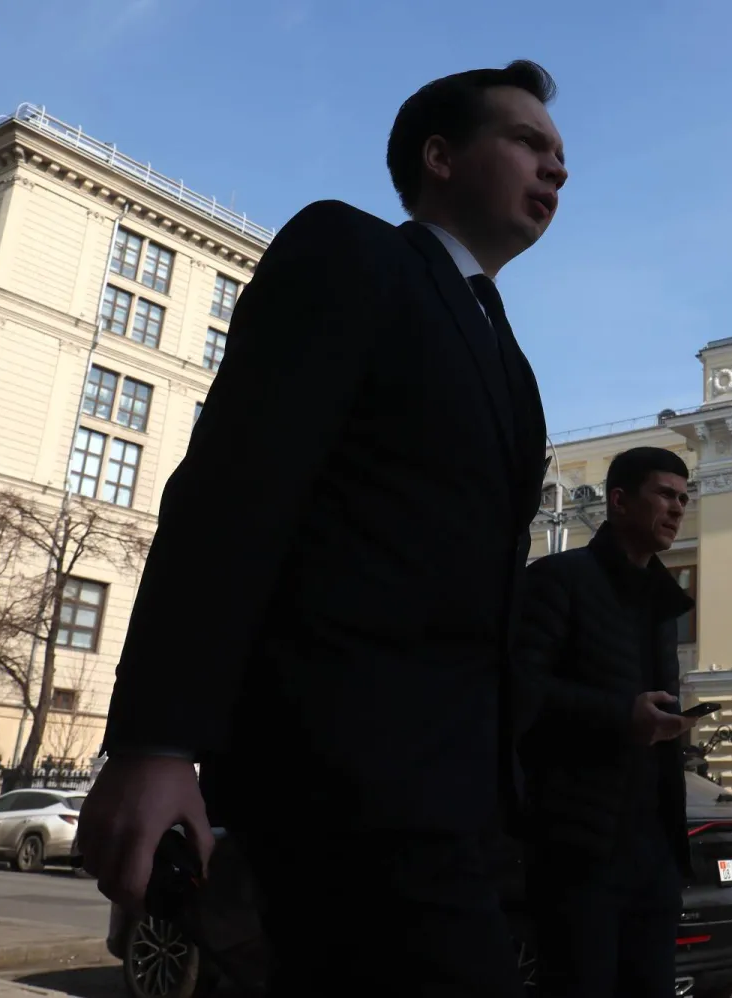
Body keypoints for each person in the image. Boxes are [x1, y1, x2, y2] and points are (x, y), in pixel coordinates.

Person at [76, 60, 567, 997]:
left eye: (560, 154)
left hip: (462, 806)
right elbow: (234, 488)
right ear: (441, 157)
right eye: (527, 142)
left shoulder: (507, 353)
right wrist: (156, 741)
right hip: (341, 786)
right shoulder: (353, 255)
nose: (556, 169)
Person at [516, 446, 699, 998]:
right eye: (664, 495)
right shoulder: (557, 580)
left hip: (653, 852)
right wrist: (621, 715)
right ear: (618, 501)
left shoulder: (662, 603)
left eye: (684, 498)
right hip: (579, 849)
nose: (677, 509)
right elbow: (519, 695)